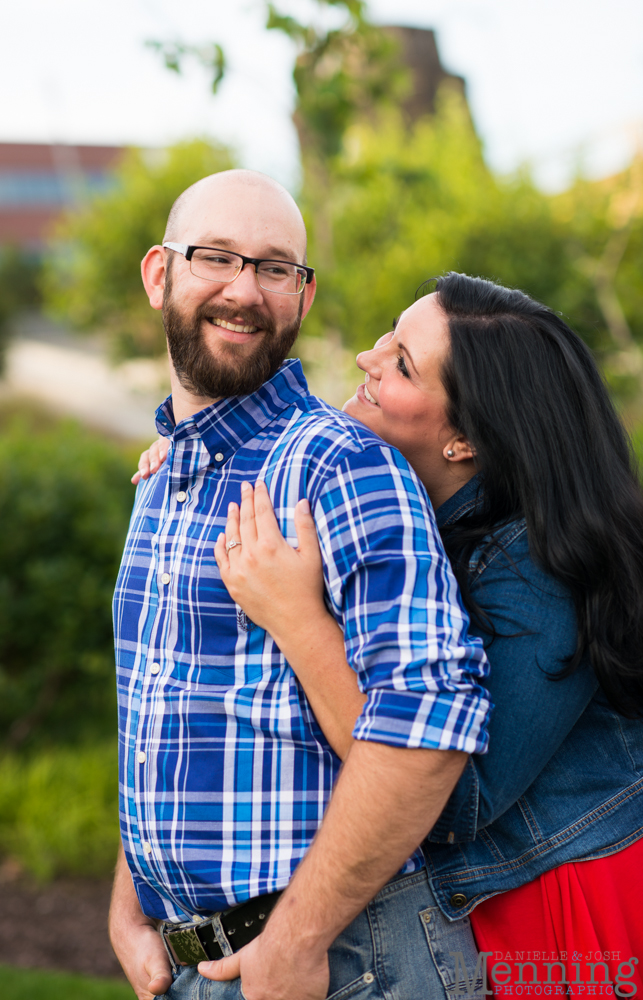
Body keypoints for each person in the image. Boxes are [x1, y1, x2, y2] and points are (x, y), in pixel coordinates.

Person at [139, 271, 643, 993]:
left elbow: (449, 801)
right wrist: (181, 455)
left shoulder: (542, 572)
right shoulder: (402, 518)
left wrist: (297, 620)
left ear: (465, 439)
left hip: (551, 912)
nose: (366, 361)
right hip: (460, 910)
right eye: (388, 337)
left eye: (402, 363)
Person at [109, 169, 492, 1000]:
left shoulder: (340, 466)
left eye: (275, 267)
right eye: (217, 257)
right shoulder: (165, 474)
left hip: (342, 964)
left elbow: (429, 729)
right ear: (158, 274)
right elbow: (164, 701)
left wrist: (296, 938)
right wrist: (126, 900)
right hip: (192, 963)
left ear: (303, 296)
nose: (244, 290)